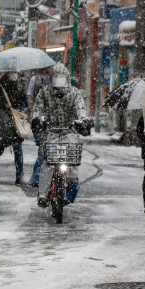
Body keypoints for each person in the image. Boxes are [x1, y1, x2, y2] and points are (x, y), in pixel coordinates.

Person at [31, 63, 91, 207]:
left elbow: (81, 110)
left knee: (73, 162)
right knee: (48, 163)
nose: (58, 81)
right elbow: (37, 110)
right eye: (55, 77)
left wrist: (81, 121)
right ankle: (43, 195)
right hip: (50, 132)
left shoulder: (74, 93)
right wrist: (40, 119)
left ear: (67, 79)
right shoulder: (44, 93)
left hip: (69, 131)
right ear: (51, 79)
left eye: (61, 78)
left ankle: (71, 186)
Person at [0, 72, 25, 186]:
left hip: (8, 123)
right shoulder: (1, 88)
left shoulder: (17, 86)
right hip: (6, 123)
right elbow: (0, 105)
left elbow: (22, 102)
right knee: (12, 149)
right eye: (12, 73)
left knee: (12, 149)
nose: (14, 75)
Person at [27, 66, 53, 187]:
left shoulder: (53, 81)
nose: (44, 73)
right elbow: (29, 95)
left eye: (45, 71)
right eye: (42, 71)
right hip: (39, 119)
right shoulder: (34, 79)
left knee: (45, 151)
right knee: (42, 150)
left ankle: (40, 177)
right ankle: (36, 177)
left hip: (51, 119)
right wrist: (33, 112)